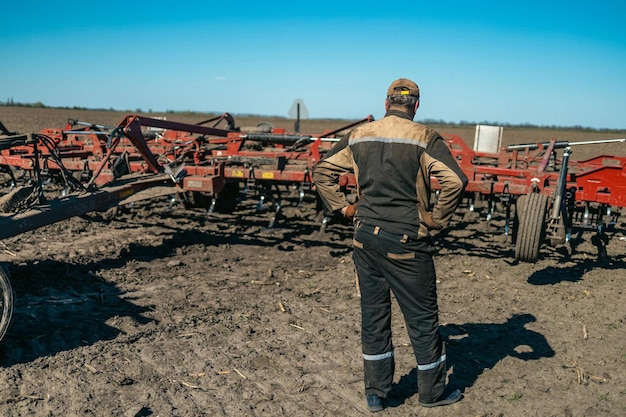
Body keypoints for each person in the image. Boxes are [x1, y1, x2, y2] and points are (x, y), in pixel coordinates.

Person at [313, 78, 468, 412]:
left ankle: (376, 393)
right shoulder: (425, 137)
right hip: (406, 243)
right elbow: (455, 181)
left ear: (386, 104)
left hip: (365, 239)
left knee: (374, 315)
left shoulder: (359, 135)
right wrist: (436, 218)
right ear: (416, 105)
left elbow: (322, 171)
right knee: (423, 320)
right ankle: (432, 393)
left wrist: (343, 207)